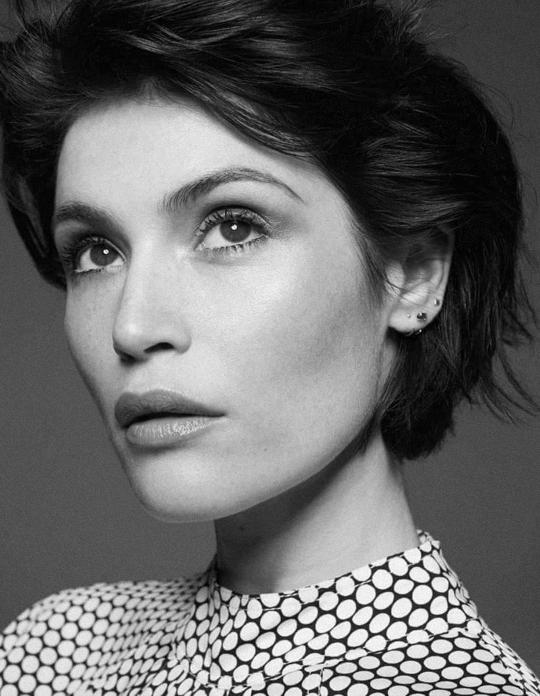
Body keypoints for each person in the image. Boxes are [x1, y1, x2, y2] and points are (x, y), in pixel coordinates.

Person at [0, 0, 538, 693]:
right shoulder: (57, 650)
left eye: (233, 228)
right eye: (96, 251)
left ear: (412, 275)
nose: (131, 326)